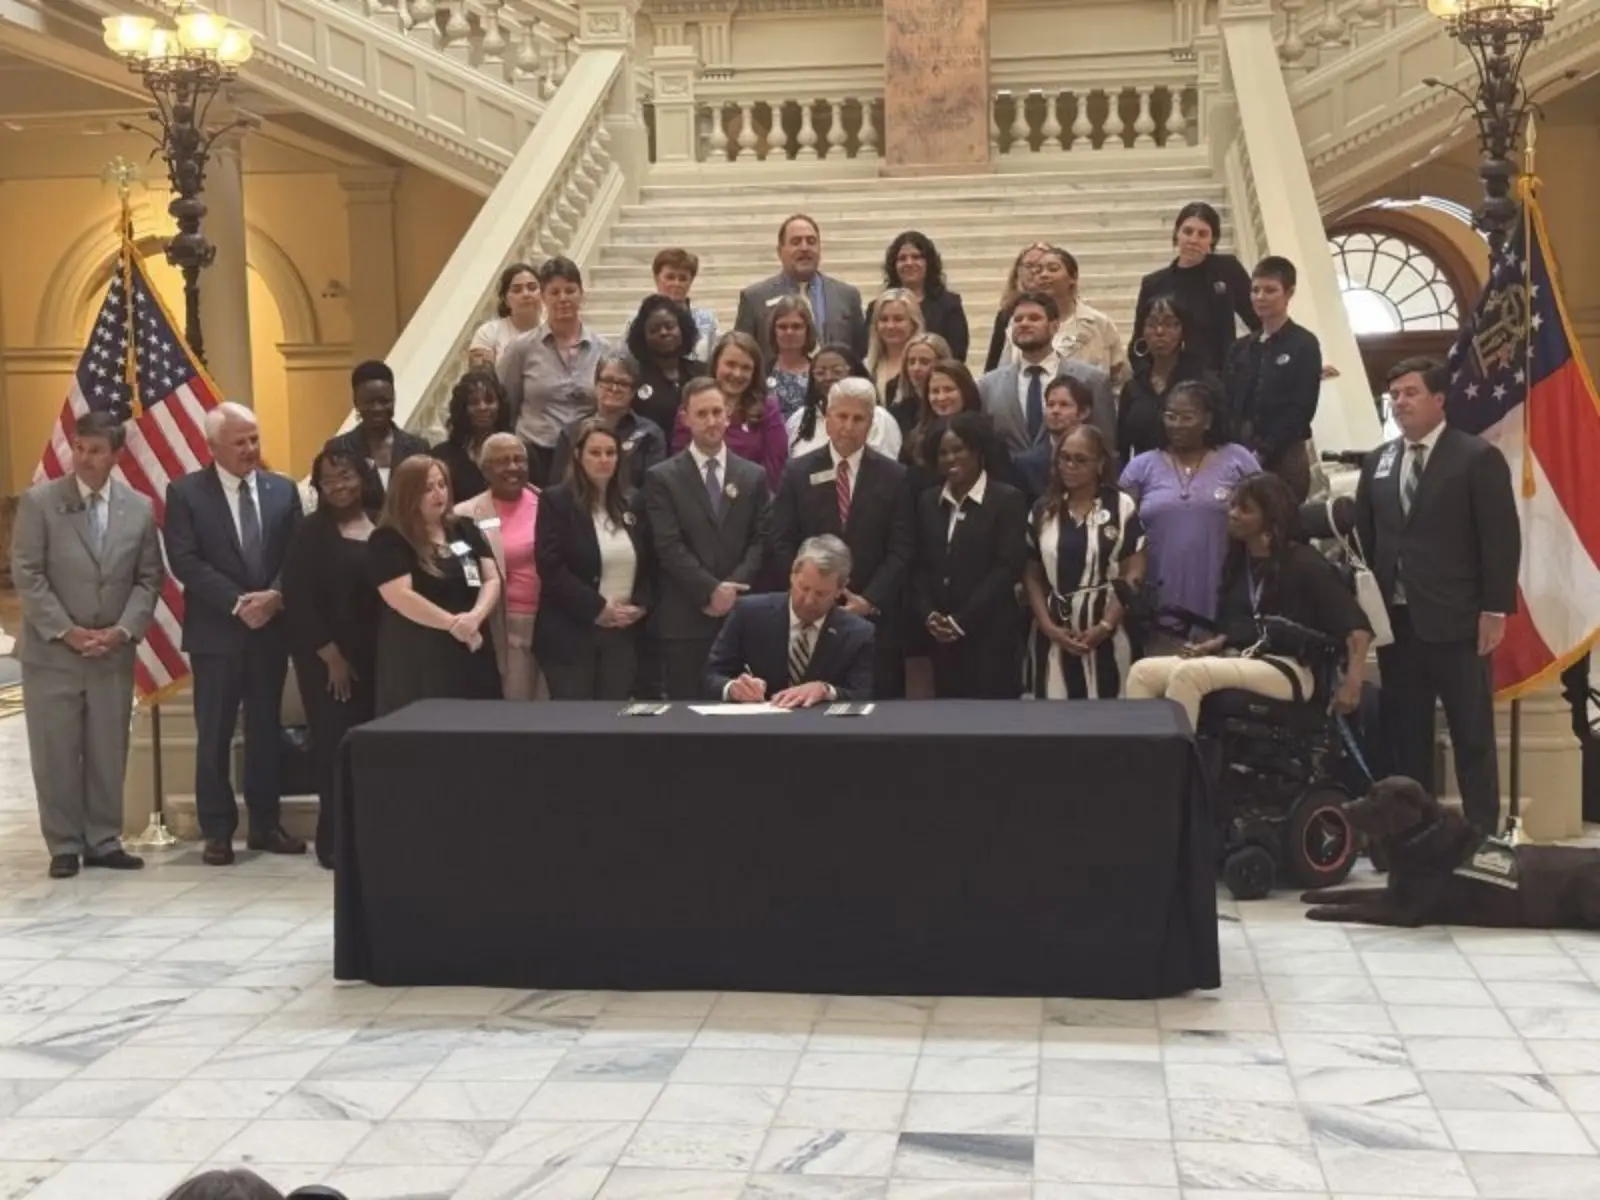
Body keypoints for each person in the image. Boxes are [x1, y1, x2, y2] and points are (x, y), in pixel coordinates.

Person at [1355, 356, 1520, 835]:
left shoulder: (1474, 457)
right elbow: (1367, 540)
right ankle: (1412, 837)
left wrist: (1494, 608)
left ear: (1439, 399)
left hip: (1458, 621)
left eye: (1410, 393)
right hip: (1397, 624)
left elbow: (1500, 539)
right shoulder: (1379, 461)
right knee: (1407, 737)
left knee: (1471, 735)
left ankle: (1481, 839)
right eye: (1395, 394)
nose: (1399, 401)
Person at [11, 411, 163, 878]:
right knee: (55, 750)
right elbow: (28, 574)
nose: (84, 457)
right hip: (53, 652)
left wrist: (121, 630)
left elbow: (148, 577)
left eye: (96, 450)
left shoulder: (137, 507)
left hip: (111, 651)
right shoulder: (40, 503)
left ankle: (103, 839)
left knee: (106, 748)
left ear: (115, 455)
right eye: (79, 447)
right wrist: (68, 631)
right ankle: (64, 844)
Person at [165, 402, 306, 866]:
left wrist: (275, 598)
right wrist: (238, 603)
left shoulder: (282, 491)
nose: (250, 449)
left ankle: (266, 825)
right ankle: (219, 831)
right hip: (217, 635)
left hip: (270, 630)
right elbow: (185, 561)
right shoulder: (186, 493)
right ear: (213, 447)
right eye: (240, 442)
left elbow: (297, 556)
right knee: (215, 735)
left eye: (254, 439)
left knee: (266, 731)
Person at [1128, 472, 1371, 731]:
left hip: (1292, 667)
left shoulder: (1304, 563)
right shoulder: (1238, 562)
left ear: (1270, 520)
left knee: (1189, 675)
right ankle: (1147, 765)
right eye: (1232, 506)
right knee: (1143, 672)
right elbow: (1240, 624)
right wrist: (1216, 643)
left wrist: (1352, 685)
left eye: (1245, 510)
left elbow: (1358, 630)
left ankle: (1177, 768)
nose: (1232, 514)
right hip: (1244, 656)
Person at [772, 377, 916, 698]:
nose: (848, 426)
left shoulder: (895, 476)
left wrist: (870, 600)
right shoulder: (798, 472)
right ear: (827, 418)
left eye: (858, 418)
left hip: (876, 619)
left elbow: (902, 549)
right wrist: (809, 593)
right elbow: (781, 540)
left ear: (871, 422)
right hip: (811, 615)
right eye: (841, 416)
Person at [283, 445, 383, 869]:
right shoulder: (311, 532)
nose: (339, 487)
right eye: (329, 480)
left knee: (372, 753)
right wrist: (332, 657)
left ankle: (372, 839)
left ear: (362, 476)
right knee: (335, 750)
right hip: (328, 664)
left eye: (346, 476)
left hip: (379, 659)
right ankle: (333, 842)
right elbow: (299, 600)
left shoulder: (382, 522)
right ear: (319, 487)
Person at [644, 377, 772, 699]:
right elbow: (668, 546)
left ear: (728, 415)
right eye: (702, 414)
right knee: (686, 715)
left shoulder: (753, 476)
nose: (711, 421)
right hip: (685, 618)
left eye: (717, 412)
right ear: (685, 417)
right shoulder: (662, 477)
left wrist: (732, 588)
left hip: (741, 614)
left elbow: (762, 539)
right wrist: (709, 590)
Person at [1120, 381, 1259, 652]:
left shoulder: (1237, 459)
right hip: (1158, 600)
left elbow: (1267, 512)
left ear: (1208, 420)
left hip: (1223, 593)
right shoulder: (1141, 466)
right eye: (1170, 416)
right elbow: (1122, 533)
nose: (1176, 425)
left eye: (1187, 417)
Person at [370, 455, 502, 715]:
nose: (437, 494)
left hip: (471, 641)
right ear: (407, 494)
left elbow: (491, 578)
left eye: (441, 485)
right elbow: (400, 595)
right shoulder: (388, 538)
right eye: (427, 488)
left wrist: (474, 617)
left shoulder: (463, 528)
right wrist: (452, 624)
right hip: (421, 651)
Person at [913, 412, 1029, 698]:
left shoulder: (1007, 499)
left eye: (958, 450)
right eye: (942, 453)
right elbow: (918, 564)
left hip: (991, 636)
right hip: (941, 639)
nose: (950, 459)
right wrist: (929, 614)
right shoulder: (928, 501)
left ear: (977, 451)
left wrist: (962, 620)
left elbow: (1007, 567)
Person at [1023, 425, 1145, 699]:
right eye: (1064, 458)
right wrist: (1048, 626)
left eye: (1081, 460)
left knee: (1110, 712)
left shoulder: (1120, 505)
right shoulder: (1043, 509)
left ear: (1100, 463)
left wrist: (1105, 626)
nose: (1070, 466)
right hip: (1055, 629)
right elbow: (1031, 575)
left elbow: (1134, 570)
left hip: (1110, 628)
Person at [535, 419, 653, 699]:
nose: (604, 460)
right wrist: (597, 608)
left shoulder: (633, 501)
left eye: (610, 453)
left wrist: (641, 605)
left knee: (612, 723)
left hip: (621, 636)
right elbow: (550, 568)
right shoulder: (556, 501)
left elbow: (650, 564)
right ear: (578, 456)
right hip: (571, 635)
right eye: (595, 453)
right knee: (576, 726)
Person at [706, 534, 876, 705]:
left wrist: (826, 690)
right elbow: (710, 676)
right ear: (792, 575)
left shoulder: (857, 633)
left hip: (822, 727)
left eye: (821, 593)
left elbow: (862, 695)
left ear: (840, 590)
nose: (809, 600)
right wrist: (732, 688)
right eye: (804, 588)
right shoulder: (749, 613)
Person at [497, 256, 610, 486]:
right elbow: (506, 404)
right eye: (554, 292)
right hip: (535, 454)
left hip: (584, 457)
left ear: (581, 293)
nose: (563, 299)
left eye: (570, 290)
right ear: (543, 297)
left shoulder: (603, 349)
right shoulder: (521, 348)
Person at [1224, 255, 1323, 502]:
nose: (1260, 297)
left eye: (1270, 290)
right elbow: (1229, 402)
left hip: (1285, 455)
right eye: (1255, 290)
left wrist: (1265, 450)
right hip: (1241, 453)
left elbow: (1302, 408)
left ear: (1288, 293)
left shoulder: (1304, 343)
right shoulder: (1240, 348)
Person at [455, 434, 542, 700]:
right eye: (503, 461)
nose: (513, 467)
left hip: (551, 621)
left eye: (519, 459)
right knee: (517, 706)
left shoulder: (549, 501)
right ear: (485, 470)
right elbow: (468, 576)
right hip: (504, 624)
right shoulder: (465, 515)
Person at [977, 291, 1115, 455]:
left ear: (1055, 326)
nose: (1024, 324)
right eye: (1018, 319)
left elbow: (1106, 445)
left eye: (1034, 318)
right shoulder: (988, 385)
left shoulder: (1091, 379)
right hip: (1009, 477)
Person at [1133, 201, 1258, 373]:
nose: (1193, 240)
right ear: (1177, 233)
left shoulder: (1228, 270)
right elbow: (1139, 341)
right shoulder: (1154, 284)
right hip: (1173, 382)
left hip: (1220, 380)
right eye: (1188, 231)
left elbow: (1258, 320)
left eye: (1202, 234)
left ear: (1212, 239)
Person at [734, 213, 867, 360]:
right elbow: (743, 355)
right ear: (780, 251)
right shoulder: (754, 299)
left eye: (811, 241)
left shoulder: (847, 296)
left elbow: (860, 353)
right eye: (796, 242)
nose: (805, 248)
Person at [998, 246, 1129, 389]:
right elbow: (1004, 375)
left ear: (1073, 277)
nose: (1044, 275)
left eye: (1053, 269)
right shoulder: (1019, 322)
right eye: (1039, 270)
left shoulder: (1098, 323)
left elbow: (1120, 377)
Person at [673, 332, 788, 491]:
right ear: (716, 364)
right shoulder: (693, 404)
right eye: (731, 364)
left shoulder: (768, 408)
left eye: (746, 367)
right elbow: (680, 463)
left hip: (753, 500)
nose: (737, 374)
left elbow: (775, 467)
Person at [1118, 293, 1213, 461]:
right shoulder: (1133, 387)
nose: (1160, 332)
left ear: (1183, 330)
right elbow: (1122, 447)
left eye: (1169, 324)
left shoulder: (1204, 383)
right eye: (1152, 324)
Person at [551, 355, 668, 492]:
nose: (614, 388)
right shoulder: (572, 432)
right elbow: (557, 487)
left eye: (623, 383)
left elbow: (654, 489)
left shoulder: (650, 433)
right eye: (607, 380)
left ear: (633, 391)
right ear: (596, 384)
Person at [324, 360, 431, 492]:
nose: (377, 408)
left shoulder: (418, 448)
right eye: (369, 402)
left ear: (394, 398)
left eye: (384, 401)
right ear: (356, 402)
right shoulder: (339, 449)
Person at [786, 344, 902, 461]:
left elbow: (887, 471)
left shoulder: (880, 419)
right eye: (820, 373)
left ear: (854, 372)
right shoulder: (799, 420)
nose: (828, 377)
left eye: (837, 371)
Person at [879, 230, 969, 363]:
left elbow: (957, 354)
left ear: (929, 263)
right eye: (902, 258)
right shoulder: (879, 306)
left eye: (916, 257)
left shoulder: (949, 305)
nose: (909, 263)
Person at [624, 293, 706, 435]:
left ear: (682, 329)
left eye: (669, 326)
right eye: (654, 330)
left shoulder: (702, 372)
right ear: (643, 336)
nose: (663, 333)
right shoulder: (634, 376)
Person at [430, 369, 514, 502]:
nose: (482, 407)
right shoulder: (442, 455)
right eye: (474, 402)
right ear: (463, 409)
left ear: (500, 405)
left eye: (489, 401)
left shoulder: (519, 452)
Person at [622, 247, 720, 359]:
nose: (676, 283)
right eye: (670, 277)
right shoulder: (636, 318)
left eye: (683, 278)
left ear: (691, 281)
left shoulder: (707, 319)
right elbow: (625, 359)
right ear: (657, 278)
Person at [1014, 374, 1095, 503]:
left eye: (1064, 405)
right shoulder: (1024, 465)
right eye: (1050, 404)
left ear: (1083, 412)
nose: (1055, 411)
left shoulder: (1100, 458)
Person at [983, 241, 1052, 372]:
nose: (1034, 271)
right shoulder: (1006, 314)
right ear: (1018, 271)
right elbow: (993, 363)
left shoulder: (1063, 311)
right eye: (1029, 265)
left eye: (1041, 266)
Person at [468, 262, 541, 370]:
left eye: (532, 288)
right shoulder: (488, 333)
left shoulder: (556, 330)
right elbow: (482, 380)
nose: (526, 294)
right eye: (517, 290)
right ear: (506, 300)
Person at [889, 331, 952, 441]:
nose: (916, 368)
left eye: (924, 362)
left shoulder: (951, 405)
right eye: (911, 362)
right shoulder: (898, 412)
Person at [865, 287, 926, 399]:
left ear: (913, 324)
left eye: (898, 319)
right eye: (884, 319)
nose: (890, 326)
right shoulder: (867, 367)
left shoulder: (924, 365)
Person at [764, 294, 818, 419]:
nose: (789, 332)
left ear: (807, 330)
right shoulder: (761, 373)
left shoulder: (819, 373)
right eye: (782, 327)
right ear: (773, 331)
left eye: (796, 326)